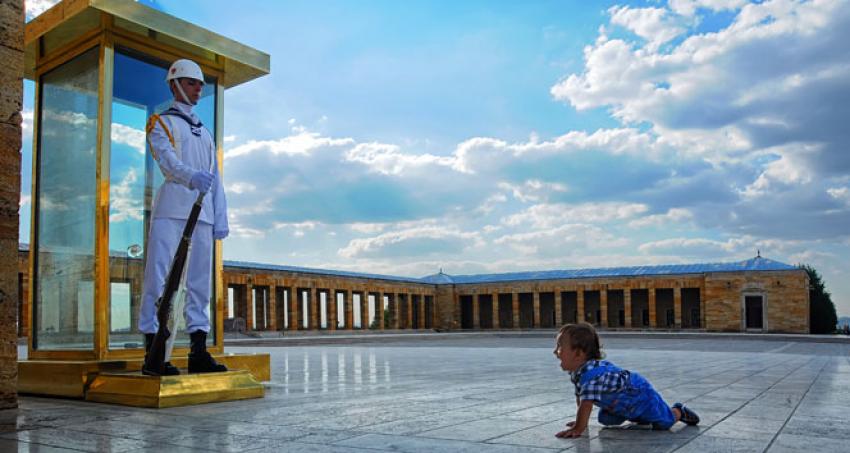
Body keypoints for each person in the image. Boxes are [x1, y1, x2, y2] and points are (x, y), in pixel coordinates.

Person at [139, 58, 229, 376]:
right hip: (172, 210)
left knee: (200, 284)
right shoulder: (160, 123)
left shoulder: (205, 133)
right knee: (159, 279)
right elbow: (167, 162)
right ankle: (154, 349)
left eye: (200, 84)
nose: (198, 89)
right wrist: (191, 177)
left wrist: (221, 216)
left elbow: (215, 178)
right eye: (192, 83)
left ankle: (198, 350)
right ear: (175, 85)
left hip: (201, 216)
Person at [553, 323, 699, 438]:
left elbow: (586, 405)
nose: (555, 351)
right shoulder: (578, 373)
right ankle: (641, 416)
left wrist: (579, 428)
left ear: (578, 353)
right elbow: (581, 397)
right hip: (622, 403)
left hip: (640, 394)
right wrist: (579, 421)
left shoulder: (592, 377)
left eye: (560, 347)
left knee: (664, 423)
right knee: (606, 420)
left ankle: (679, 411)